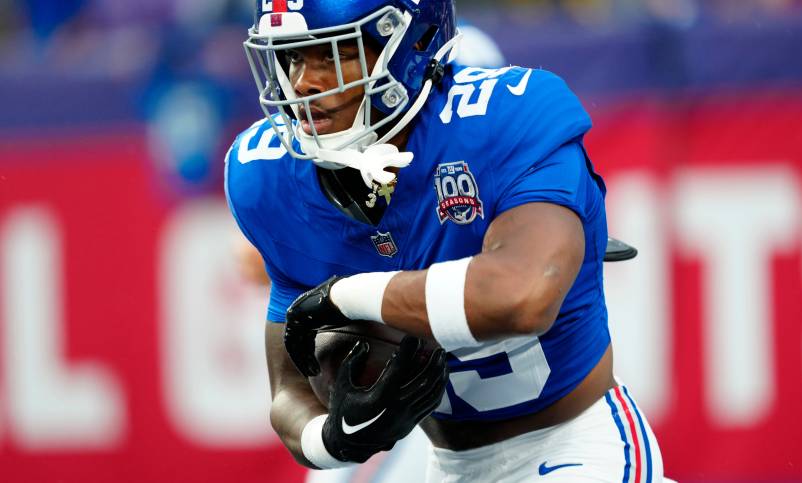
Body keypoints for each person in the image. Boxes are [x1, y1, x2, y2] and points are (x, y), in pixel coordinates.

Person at [225, 0, 664, 481]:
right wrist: (330, 440)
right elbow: (290, 390)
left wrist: (345, 296)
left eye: (333, 56)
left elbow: (522, 297)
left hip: (572, 446)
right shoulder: (264, 175)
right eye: (291, 58)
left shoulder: (509, 114)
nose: (302, 83)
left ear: (409, 43)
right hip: (446, 465)